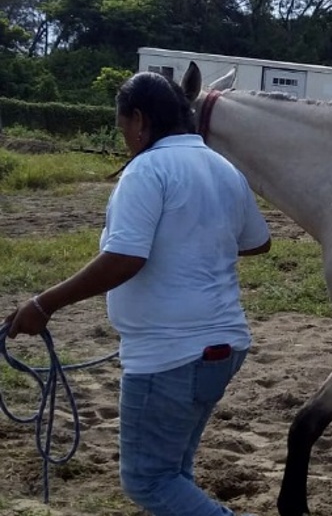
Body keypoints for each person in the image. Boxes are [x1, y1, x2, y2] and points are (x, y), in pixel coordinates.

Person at [3, 71, 271, 516]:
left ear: (140, 120)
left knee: (148, 481)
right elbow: (257, 241)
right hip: (223, 348)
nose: (124, 137)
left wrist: (41, 304)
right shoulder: (222, 168)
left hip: (169, 355)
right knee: (175, 474)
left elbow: (124, 259)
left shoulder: (148, 170)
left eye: (123, 125)